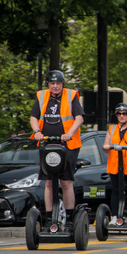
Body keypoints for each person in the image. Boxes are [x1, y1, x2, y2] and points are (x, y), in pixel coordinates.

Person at [29, 70, 84, 231]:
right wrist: (37, 131)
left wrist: (69, 134)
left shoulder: (71, 95)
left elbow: (79, 117)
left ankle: (69, 219)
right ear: (48, 84)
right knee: (48, 182)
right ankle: (48, 219)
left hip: (68, 145)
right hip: (46, 144)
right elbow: (34, 117)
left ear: (62, 84)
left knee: (66, 181)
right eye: (52, 83)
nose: (55, 86)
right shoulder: (41, 96)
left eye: (58, 83)